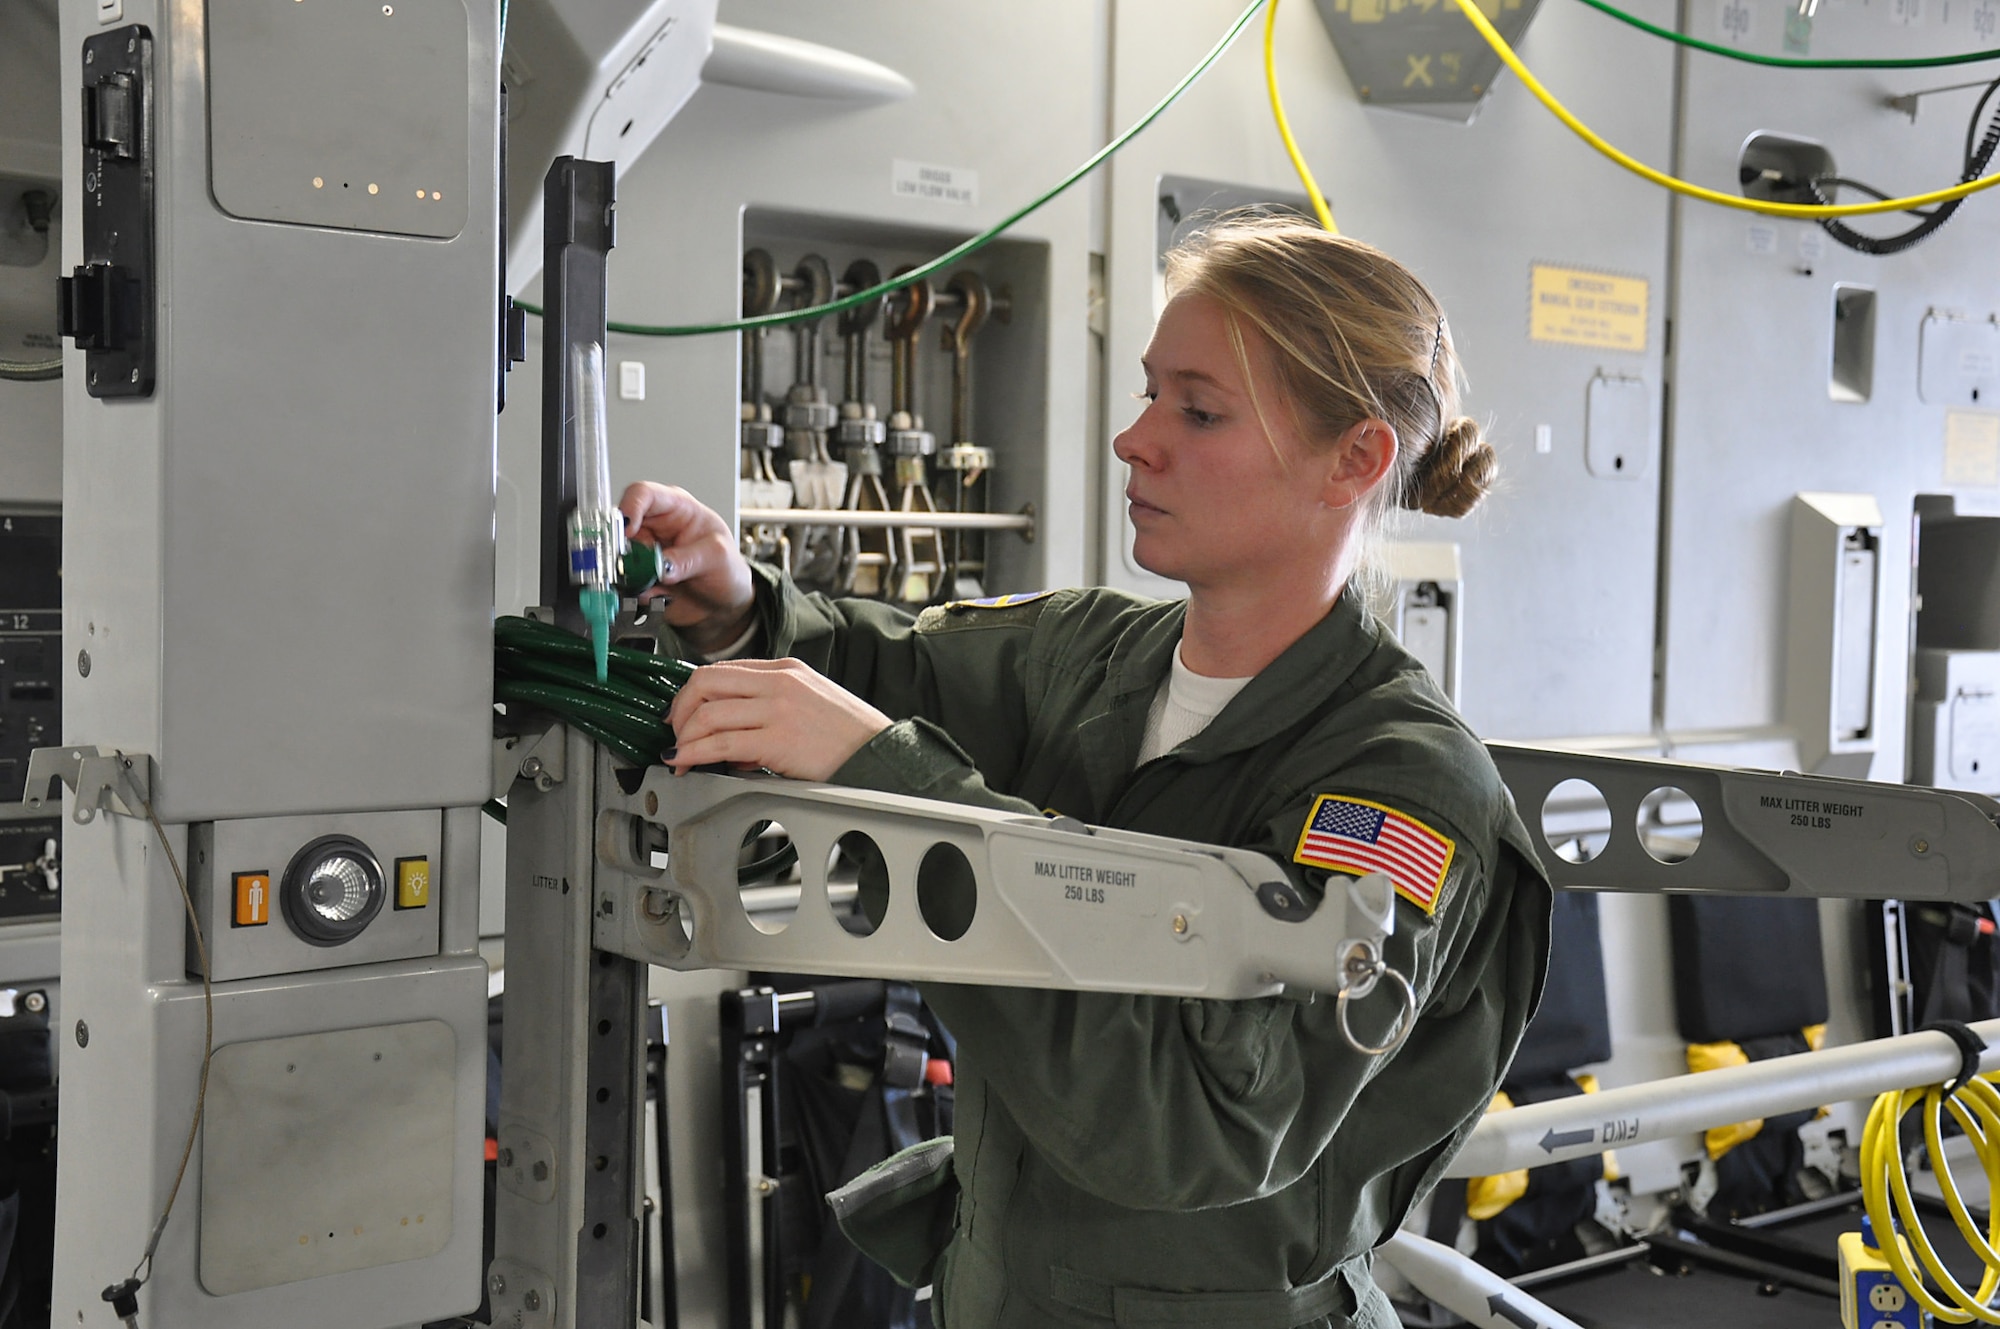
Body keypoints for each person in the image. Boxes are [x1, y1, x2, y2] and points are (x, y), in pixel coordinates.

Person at [620, 215, 1553, 1329]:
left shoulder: (1394, 787)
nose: (1135, 441)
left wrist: (886, 773)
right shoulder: (1091, 654)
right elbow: (891, 664)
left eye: (1197, 411)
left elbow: (1194, 1125)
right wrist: (738, 604)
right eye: (1150, 394)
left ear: (1352, 458)